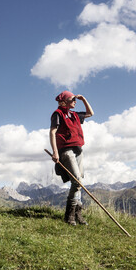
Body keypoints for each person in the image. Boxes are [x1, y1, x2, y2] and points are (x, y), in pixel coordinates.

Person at [50, 90, 94, 226]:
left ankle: (77, 214)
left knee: (79, 181)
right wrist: (55, 152)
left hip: (78, 150)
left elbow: (90, 113)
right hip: (66, 150)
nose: (75, 101)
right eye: (72, 99)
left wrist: (83, 99)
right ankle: (69, 216)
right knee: (77, 181)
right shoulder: (58, 114)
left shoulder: (74, 115)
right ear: (63, 101)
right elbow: (52, 132)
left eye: (75, 99)